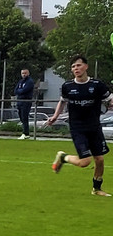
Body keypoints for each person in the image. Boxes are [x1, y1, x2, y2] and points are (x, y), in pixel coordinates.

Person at [48, 55, 113, 196]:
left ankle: (96, 189)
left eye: (78, 65)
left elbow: (109, 99)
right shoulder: (68, 86)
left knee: (100, 159)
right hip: (78, 128)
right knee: (85, 162)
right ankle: (63, 157)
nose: (75, 68)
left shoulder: (97, 85)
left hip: (94, 127)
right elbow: (62, 101)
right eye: (73, 67)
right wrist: (55, 116)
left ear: (86, 67)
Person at [13, 68, 35, 139]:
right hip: (19, 101)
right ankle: (26, 133)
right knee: (21, 117)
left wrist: (20, 91)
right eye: (22, 73)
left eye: (25, 73)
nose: (24, 74)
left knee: (24, 117)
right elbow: (15, 91)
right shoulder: (20, 82)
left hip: (26, 101)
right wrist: (20, 91)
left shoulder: (30, 81)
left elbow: (25, 90)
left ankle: (25, 133)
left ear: (28, 73)